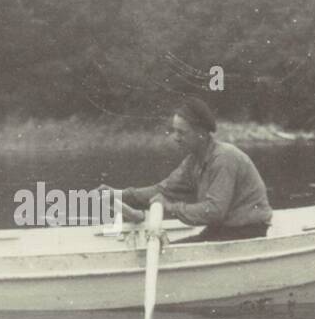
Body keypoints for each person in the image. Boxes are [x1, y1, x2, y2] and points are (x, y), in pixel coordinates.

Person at [112, 96, 274, 243]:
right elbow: (162, 190)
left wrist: (170, 207)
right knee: (169, 250)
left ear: (201, 133)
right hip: (223, 230)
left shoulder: (224, 158)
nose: (175, 137)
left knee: (169, 252)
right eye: (174, 131)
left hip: (248, 232)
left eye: (181, 132)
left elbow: (214, 211)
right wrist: (118, 195)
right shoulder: (193, 161)